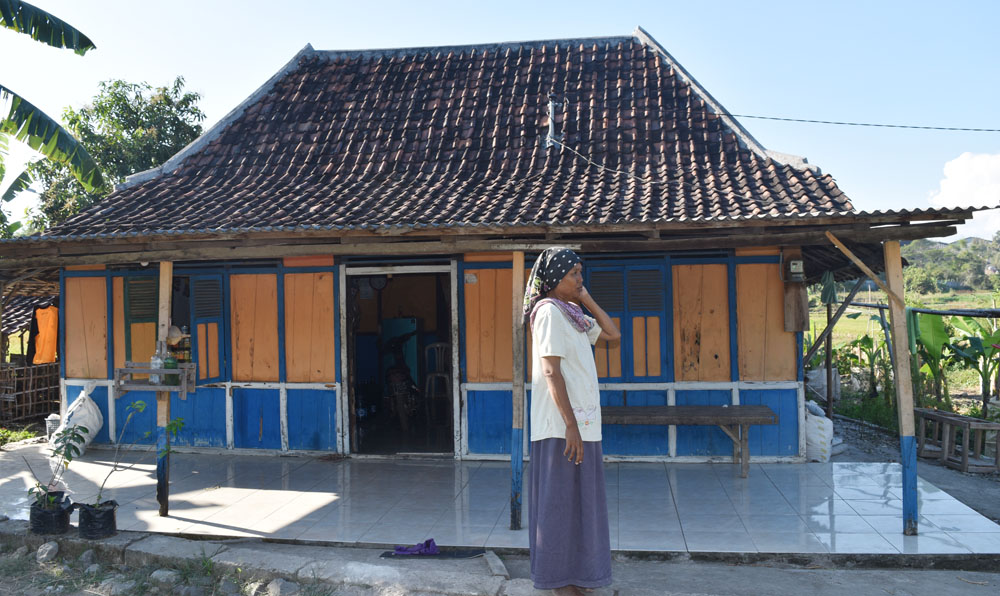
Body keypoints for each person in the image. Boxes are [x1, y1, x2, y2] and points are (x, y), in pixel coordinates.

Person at [523, 247, 621, 596]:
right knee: (559, 505)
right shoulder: (549, 312)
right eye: (573, 274)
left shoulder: (574, 313)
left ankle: (578, 576)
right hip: (560, 428)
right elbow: (551, 370)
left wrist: (586, 297)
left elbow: (612, 334)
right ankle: (557, 581)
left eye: (581, 272)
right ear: (553, 279)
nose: (580, 279)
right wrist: (570, 426)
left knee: (582, 505)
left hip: (583, 425)